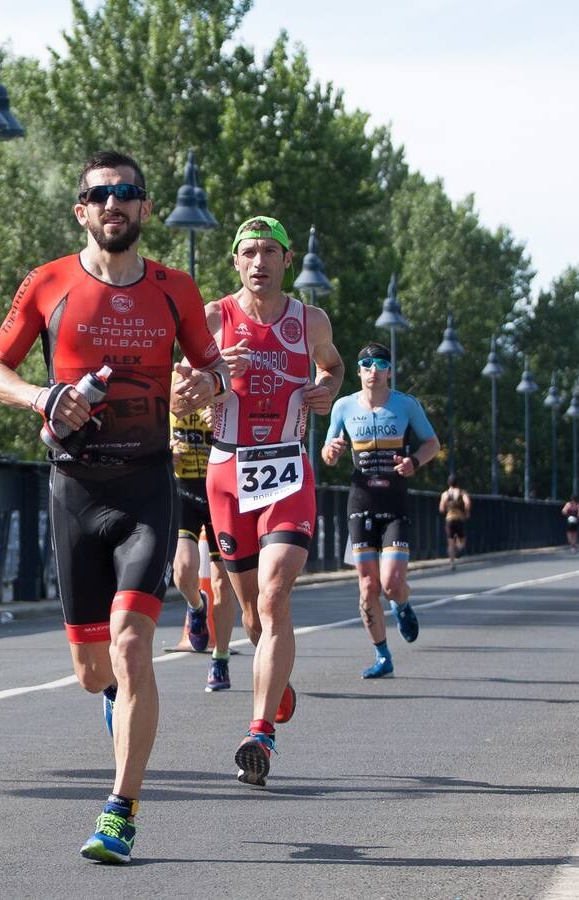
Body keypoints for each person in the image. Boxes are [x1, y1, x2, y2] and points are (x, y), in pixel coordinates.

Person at [0, 150, 231, 865]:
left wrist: (201, 389)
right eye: (100, 195)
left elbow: (212, 368)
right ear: (81, 209)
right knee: (95, 670)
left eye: (127, 193)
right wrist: (42, 396)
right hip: (74, 490)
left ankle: (121, 809)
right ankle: (114, 700)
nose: (114, 204)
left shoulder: (174, 288)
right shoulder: (48, 282)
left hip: (147, 488)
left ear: (145, 208)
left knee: (132, 643)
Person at [204, 214, 343, 787]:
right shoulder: (213, 318)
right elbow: (176, 391)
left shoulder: (310, 320)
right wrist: (211, 376)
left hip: (287, 469)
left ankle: (259, 731)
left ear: (288, 261)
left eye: (270, 252)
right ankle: (274, 675)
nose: (259, 262)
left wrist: (327, 390)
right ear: (236, 261)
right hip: (228, 471)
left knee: (275, 591)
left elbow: (332, 367)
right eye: (249, 252)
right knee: (255, 617)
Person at [322, 342, 440, 679]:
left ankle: (401, 604)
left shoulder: (406, 405)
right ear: (359, 371)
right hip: (361, 502)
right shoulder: (343, 407)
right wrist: (332, 450)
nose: (374, 370)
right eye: (367, 364)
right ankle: (382, 655)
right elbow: (327, 455)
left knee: (390, 583)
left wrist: (414, 461)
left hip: (395, 503)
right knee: (367, 586)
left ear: (389, 370)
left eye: (381, 364)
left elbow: (433, 443)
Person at [168, 396, 238, 690]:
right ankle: (197, 606)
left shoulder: (223, 386)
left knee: (223, 581)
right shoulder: (168, 383)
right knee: (183, 570)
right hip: (184, 489)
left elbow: (251, 434)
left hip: (219, 490)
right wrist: (163, 452)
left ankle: (220, 659)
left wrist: (224, 427)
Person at [438, 475, 471, 568]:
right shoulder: (462, 492)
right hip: (460, 519)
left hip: (449, 519)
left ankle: (452, 562)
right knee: (462, 541)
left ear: (448, 483)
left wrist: (445, 510)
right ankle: (459, 548)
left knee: (450, 542)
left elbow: (441, 508)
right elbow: (467, 502)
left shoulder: (445, 494)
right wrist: (467, 512)